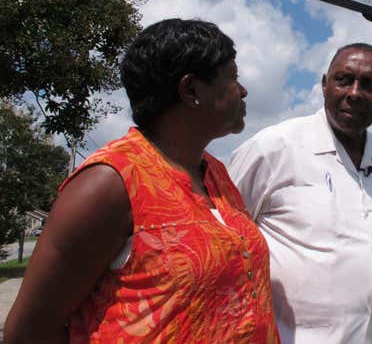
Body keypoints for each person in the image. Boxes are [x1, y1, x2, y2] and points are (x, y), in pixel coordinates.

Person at [5, 19, 280, 343]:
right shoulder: (110, 183)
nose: (243, 90)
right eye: (232, 77)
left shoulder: (216, 174)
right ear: (190, 89)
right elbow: (27, 332)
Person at [228, 43, 372, 343]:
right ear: (324, 85)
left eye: (370, 85)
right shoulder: (272, 148)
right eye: (344, 80)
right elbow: (222, 245)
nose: (355, 93)